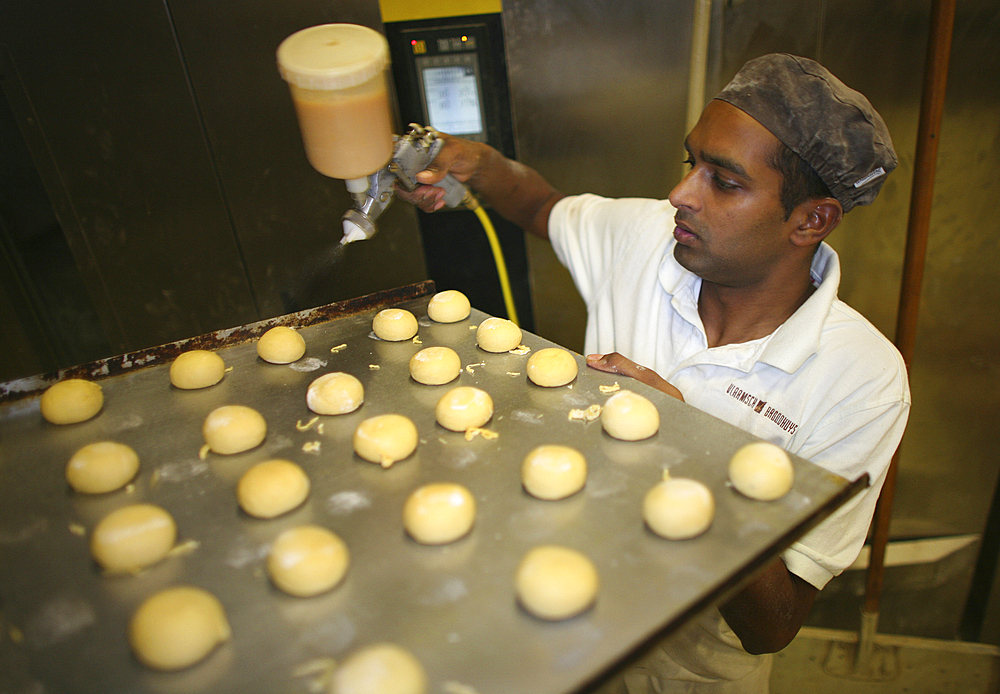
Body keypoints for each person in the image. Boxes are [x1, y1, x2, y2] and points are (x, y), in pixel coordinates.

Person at [397, 54, 911, 693]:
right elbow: (541, 205)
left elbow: (772, 626)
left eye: (723, 181)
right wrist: (480, 166)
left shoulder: (861, 379)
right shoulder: (646, 241)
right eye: (690, 163)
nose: (680, 194)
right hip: (556, 634)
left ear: (811, 220)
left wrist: (687, 442)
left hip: (691, 678)